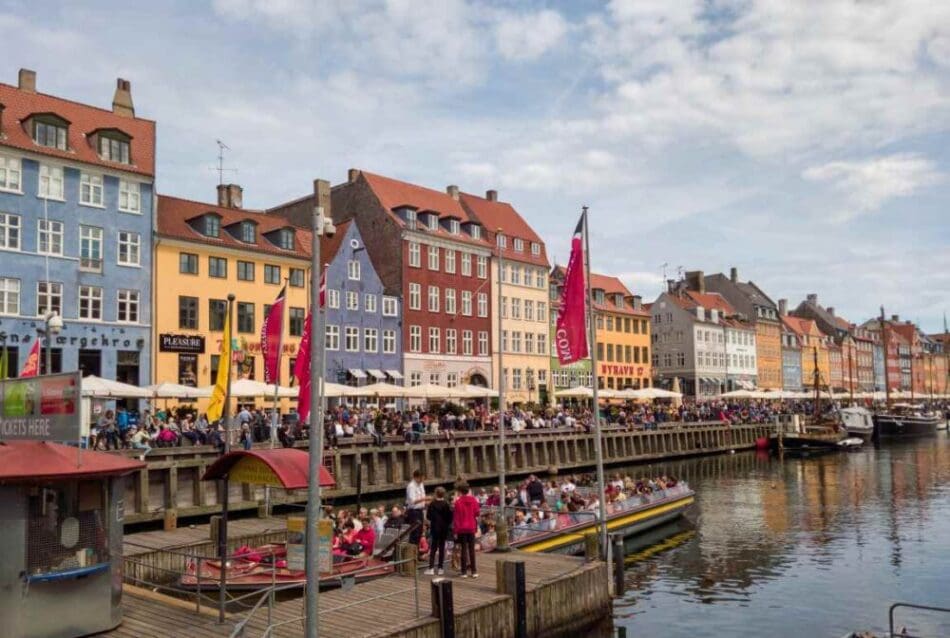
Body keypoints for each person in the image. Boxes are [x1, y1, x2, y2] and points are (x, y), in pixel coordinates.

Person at [453, 480, 480, 578]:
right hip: (471, 527)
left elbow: (456, 518)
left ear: (459, 491)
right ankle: (474, 571)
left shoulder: (458, 502)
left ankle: (464, 572)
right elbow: (477, 513)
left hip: (461, 528)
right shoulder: (473, 500)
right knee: (471, 549)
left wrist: (455, 531)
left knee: (463, 549)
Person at [425, 487, 453, 575]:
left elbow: (428, 516)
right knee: (441, 548)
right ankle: (441, 568)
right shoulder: (446, 504)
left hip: (434, 527)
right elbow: (450, 517)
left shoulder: (432, 504)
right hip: (444, 528)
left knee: (433, 548)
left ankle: (431, 568)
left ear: (436, 493)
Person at [405, 470, 427, 545]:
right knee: (415, 532)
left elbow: (422, 498)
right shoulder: (411, 486)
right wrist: (425, 499)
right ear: (416, 477)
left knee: (420, 532)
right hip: (414, 512)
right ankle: (413, 552)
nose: (422, 480)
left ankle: (417, 552)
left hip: (420, 510)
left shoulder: (421, 484)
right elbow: (413, 501)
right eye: (421, 478)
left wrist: (427, 502)